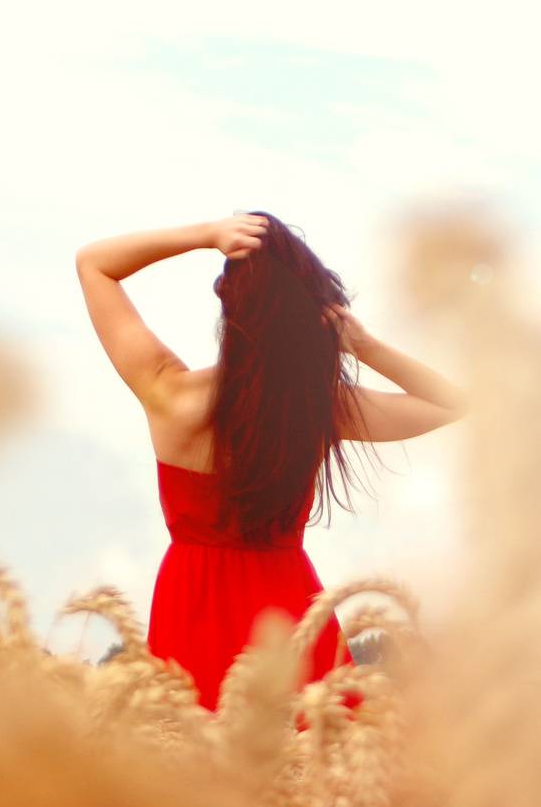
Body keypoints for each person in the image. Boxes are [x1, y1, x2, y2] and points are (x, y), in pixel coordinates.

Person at [76, 212, 468, 711]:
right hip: (291, 623)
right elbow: (451, 404)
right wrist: (364, 346)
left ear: (228, 305)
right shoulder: (319, 410)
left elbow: (94, 264)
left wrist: (206, 236)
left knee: (189, 767)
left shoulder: (169, 393)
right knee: (318, 772)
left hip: (189, 608)